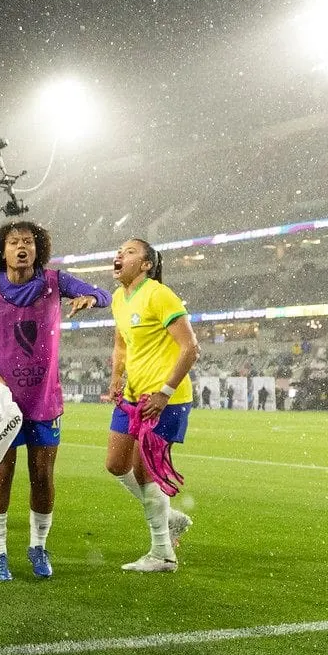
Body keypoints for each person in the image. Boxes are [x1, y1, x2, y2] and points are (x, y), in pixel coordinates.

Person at [0, 220, 110, 580]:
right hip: (2, 404)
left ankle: (38, 547)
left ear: (38, 248)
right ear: (3, 250)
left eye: (28, 241)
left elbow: (103, 294)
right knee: (1, 474)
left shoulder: (54, 282)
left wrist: (90, 298)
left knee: (42, 476)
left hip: (44, 401)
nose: (22, 247)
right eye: (14, 242)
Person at [106, 238, 198, 572]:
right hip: (131, 397)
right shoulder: (119, 297)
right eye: (119, 250)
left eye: (129, 252)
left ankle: (162, 554)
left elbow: (190, 346)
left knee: (146, 472)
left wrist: (165, 392)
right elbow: (121, 345)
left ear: (146, 265)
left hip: (164, 399)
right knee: (116, 464)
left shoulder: (160, 295)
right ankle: (169, 517)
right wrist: (116, 378)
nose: (120, 255)